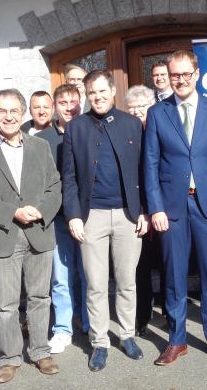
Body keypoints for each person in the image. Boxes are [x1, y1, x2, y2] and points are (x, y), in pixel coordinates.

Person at [143, 50, 207, 366]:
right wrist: (155, 207)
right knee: (174, 275)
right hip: (171, 206)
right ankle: (177, 339)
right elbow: (150, 163)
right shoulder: (158, 113)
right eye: (175, 75)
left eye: (186, 74)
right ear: (169, 77)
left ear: (196, 74)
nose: (180, 80)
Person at [0, 89, 62, 384]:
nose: (9, 116)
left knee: (39, 297)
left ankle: (40, 351)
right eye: (2, 111)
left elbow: (55, 186)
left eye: (15, 111)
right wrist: (13, 212)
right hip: (2, 233)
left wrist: (41, 211)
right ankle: (9, 359)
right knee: (7, 304)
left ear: (23, 114)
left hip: (38, 232)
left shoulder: (39, 147)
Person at [61, 70, 148, 372]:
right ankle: (99, 342)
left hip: (128, 215)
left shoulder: (133, 124)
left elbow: (144, 171)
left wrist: (145, 212)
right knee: (96, 285)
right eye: (92, 93)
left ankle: (127, 335)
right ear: (87, 95)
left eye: (102, 91)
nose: (97, 97)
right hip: (91, 217)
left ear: (112, 92)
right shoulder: (76, 128)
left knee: (126, 281)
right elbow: (69, 177)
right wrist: (73, 215)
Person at [35, 84, 87, 354]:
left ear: (82, 103)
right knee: (62, 278)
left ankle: (90, 324)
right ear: (55, 106)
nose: (69, 106)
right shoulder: (42, 139)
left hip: (88, 217)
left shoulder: (92, 129)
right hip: (57, 219)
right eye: (63, 102)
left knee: (90, 276)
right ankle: (63, 329)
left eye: (74, 101)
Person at [124, 85, 165, 336]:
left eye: (143, 106)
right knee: (140, 267)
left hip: (162, 209)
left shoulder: (161, 130)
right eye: (132, 108)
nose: (138, 111)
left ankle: (170, 312)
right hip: (137, 211)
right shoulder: (126, 134)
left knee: (167, 264)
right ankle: (142, 315)